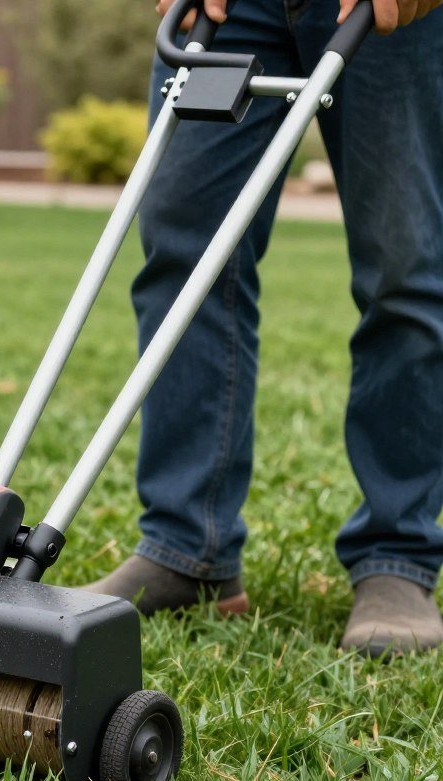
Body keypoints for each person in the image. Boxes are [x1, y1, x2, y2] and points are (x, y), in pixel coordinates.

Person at [85, 0, 443, 657]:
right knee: (186, 252)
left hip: (399, 18)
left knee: (407, 264)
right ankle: (187, 550)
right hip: (236, 8)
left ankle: (398, 554)